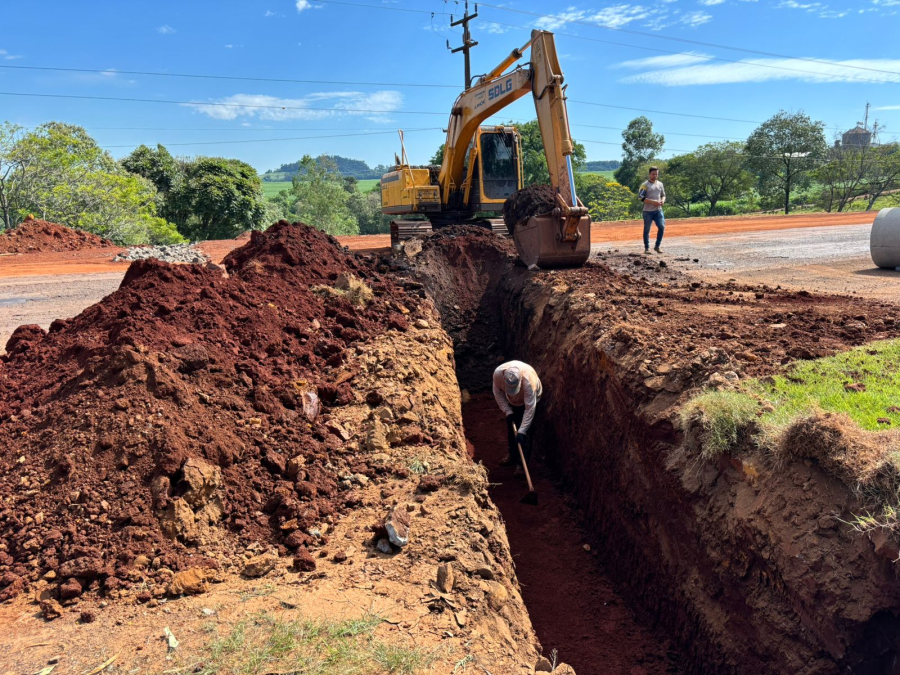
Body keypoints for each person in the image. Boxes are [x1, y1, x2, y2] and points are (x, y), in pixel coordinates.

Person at [492, 360, 542, 477]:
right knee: (511, 427)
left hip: (530, 401)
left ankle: (522, 464)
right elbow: (498, 394)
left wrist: (522, 430)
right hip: (512, 403)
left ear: (520, 381)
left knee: (525, 434)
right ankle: (512, 455)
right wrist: (508, 411)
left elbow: (530, 409)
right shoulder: (498, 375)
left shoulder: (529, 382)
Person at [638, 166, 666, 254]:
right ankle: (647, 248)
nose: (654, 176)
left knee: (661, 227)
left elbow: (663, 195)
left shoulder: (660, 184)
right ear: (649, 174)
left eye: (656, 174)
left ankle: (657, 246)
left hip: (658, 210)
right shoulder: (645, 185)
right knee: (647, 229)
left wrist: (662, 200)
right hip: (647, 212)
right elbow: (640, 197)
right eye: (653, 174)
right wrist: (652, 202)